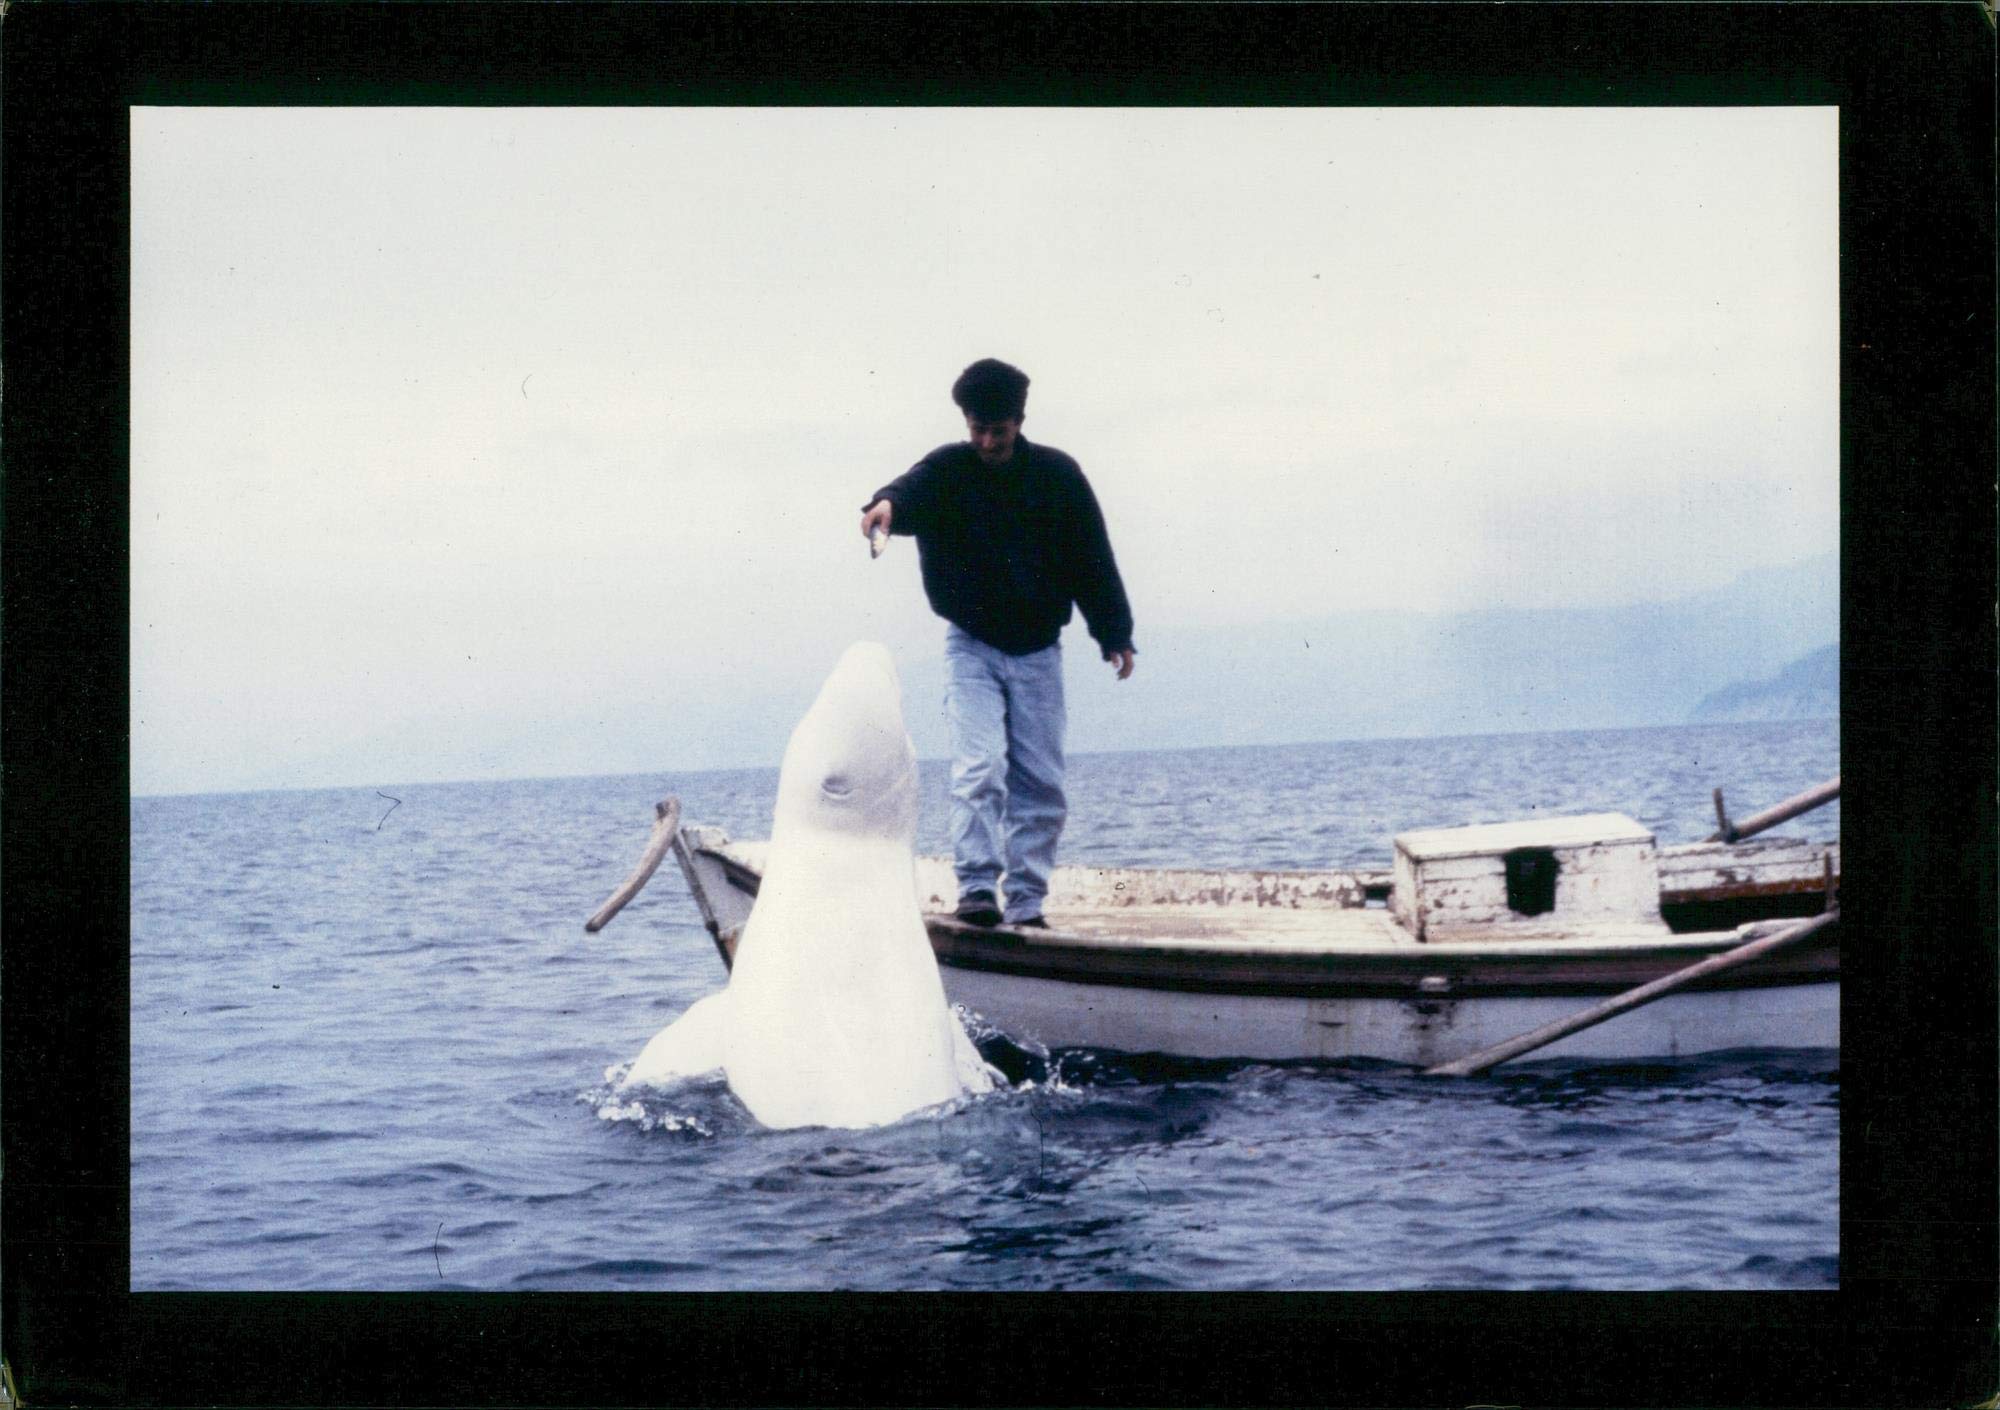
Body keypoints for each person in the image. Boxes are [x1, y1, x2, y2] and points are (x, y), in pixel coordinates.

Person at [859, 358, 1135, 929]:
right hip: (972, 647)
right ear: (967, 423)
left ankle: (1029, 903)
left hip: (1039, 652)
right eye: (977, 430)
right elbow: (906, 492)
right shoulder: (949, 469)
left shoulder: (1058, 476)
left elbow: (1093, 557)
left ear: (1019, 421)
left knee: (1041, 783)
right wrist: (883, 507)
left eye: (998, 431)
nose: (986, 441)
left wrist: (1114, 633)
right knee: (979, 768)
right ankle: (979, 889)